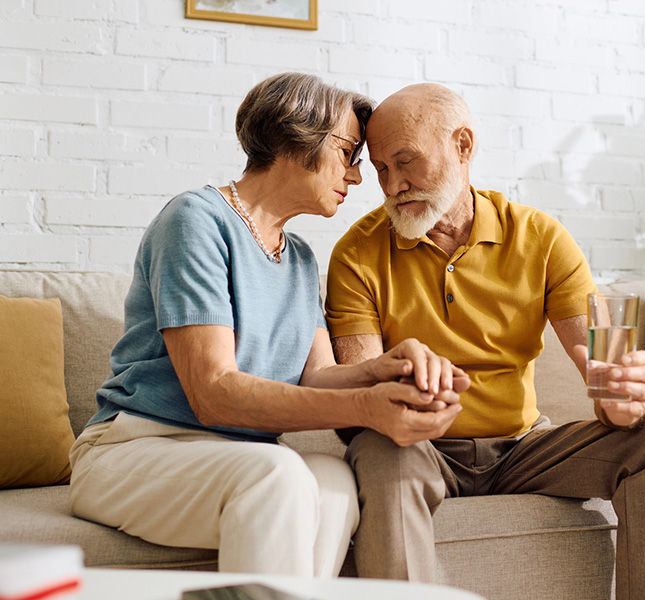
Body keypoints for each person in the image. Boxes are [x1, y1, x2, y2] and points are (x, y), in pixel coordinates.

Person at [68, 73, 465, 578]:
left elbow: (317, 375)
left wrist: (388, 369)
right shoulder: (196, 220)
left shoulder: (298, 258)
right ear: (295, 137)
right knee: (279, 477)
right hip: (135, 449)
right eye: (349, 154)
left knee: (334, 481)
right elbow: (213, 392)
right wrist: (365, 406)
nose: (360, 178)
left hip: (231, 457)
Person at [325, 83, 645, 598]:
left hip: (524, 447)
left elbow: (602, 364)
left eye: (406, 161)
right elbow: (359, 399)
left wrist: (623, 395)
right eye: (381, 169)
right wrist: (401, 396)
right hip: (418, 446)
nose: (392, 185)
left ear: (463, 146)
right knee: (378, 448)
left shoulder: (542, 239)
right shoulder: (356, 254)